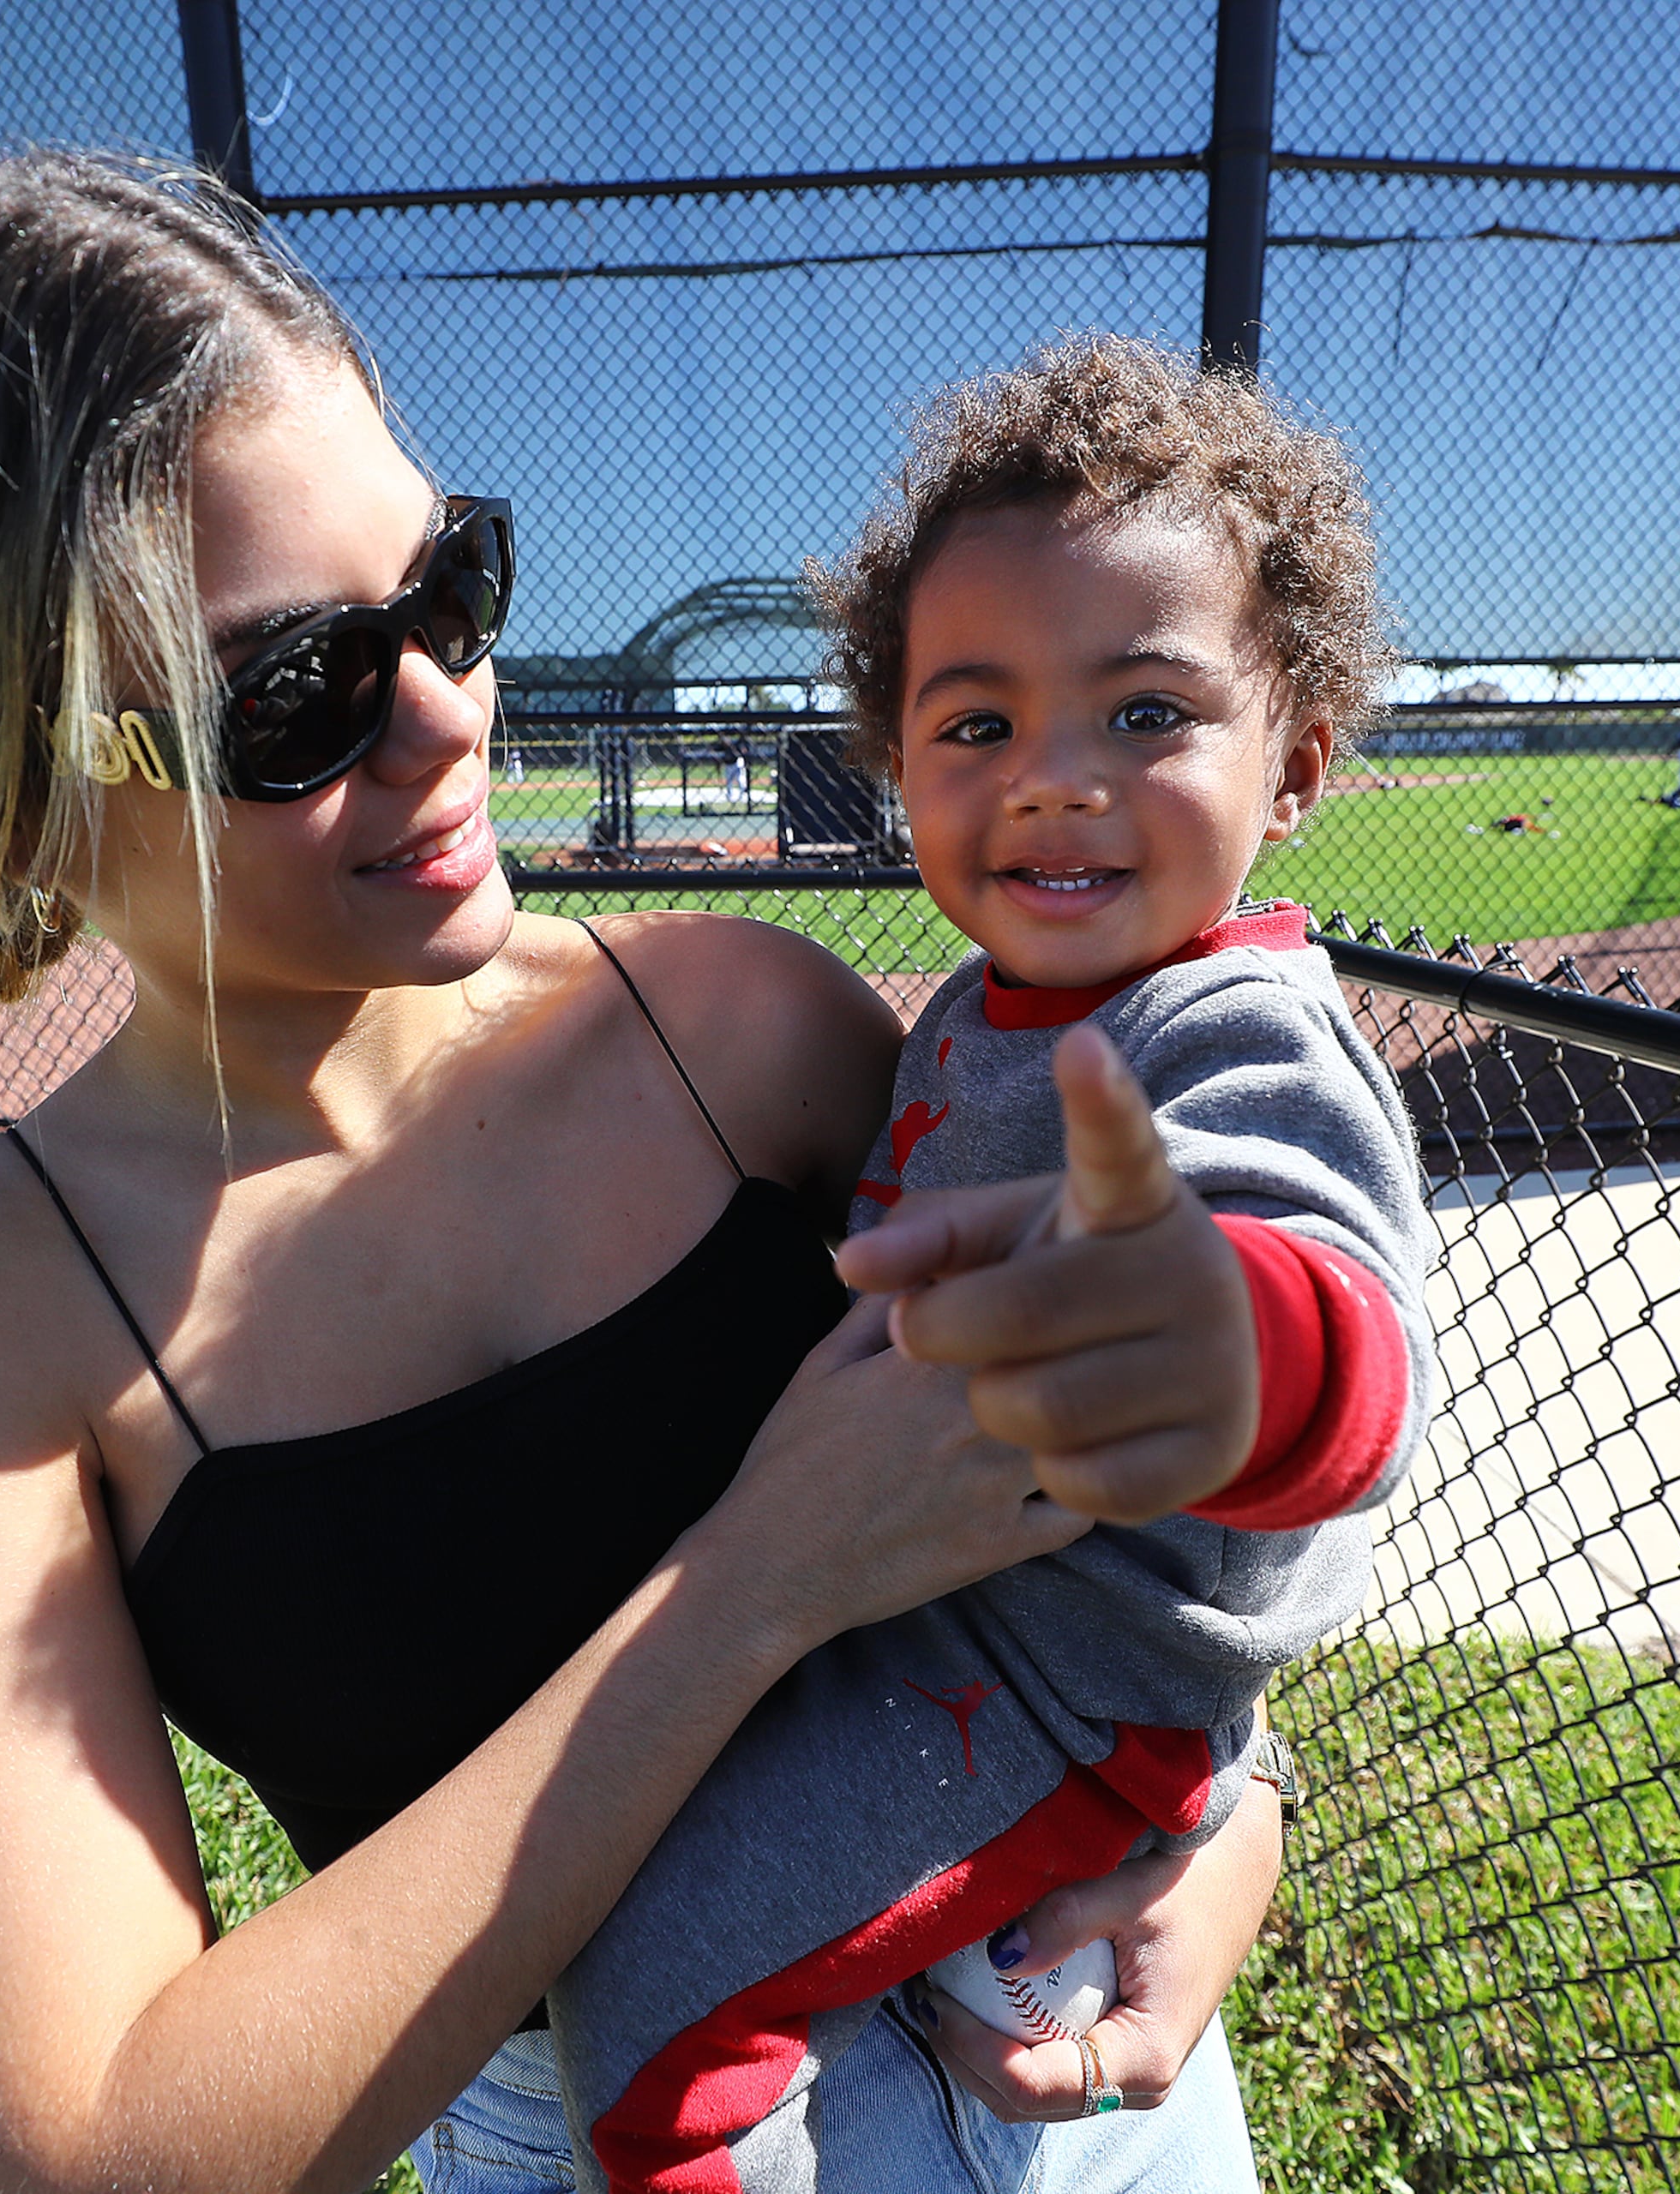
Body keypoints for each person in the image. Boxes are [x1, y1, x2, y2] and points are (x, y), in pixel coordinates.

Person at [0, 153, 1287, 2194]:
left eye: (446, 588)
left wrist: (1238, 1798)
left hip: (1073, 2029)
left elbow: (1133, 1460)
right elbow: (96, 2146)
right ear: (7, 774)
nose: (447, 716)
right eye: (293, 694)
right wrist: (743, 1583)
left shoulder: (742, 1033)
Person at [549, 339, 1435, 2191]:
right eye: (978, 725)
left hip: (1061, 1684)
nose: (1051, 781)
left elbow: (1329, 1302)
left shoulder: (1235, 1023)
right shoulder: (980, 1003)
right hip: (952, 1624)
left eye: (1143, 715)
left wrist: (1225, 1339)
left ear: (1300, 762)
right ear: (895, 765)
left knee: (646, 2009)